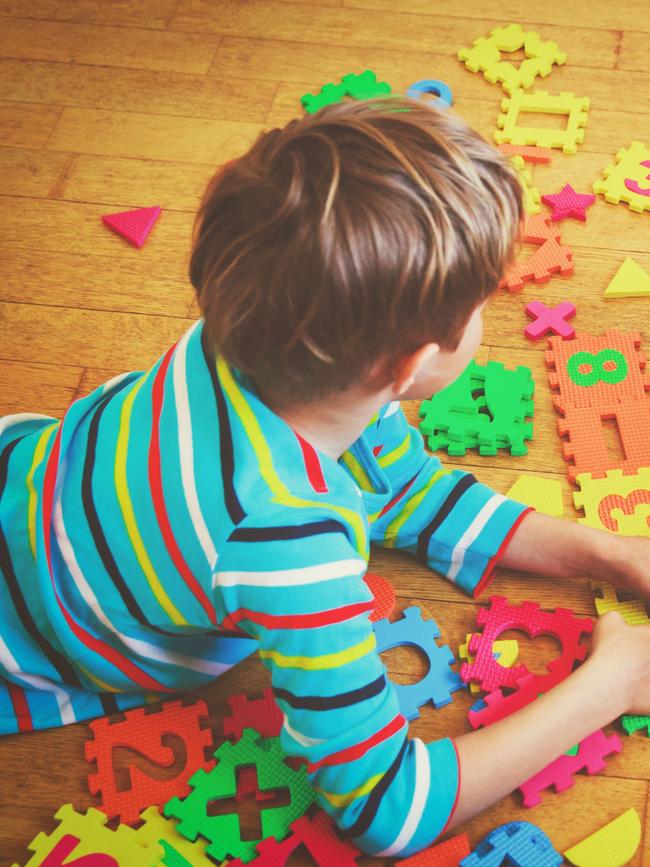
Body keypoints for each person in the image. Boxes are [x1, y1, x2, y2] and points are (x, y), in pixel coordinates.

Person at [1, 96, 649, 858]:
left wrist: (614, 553)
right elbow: (386, 809)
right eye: (481, 306)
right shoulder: (285, 542)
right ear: (410, 365)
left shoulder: (253, 335)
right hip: (34, 637)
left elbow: (404, 489)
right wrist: (610, 685)